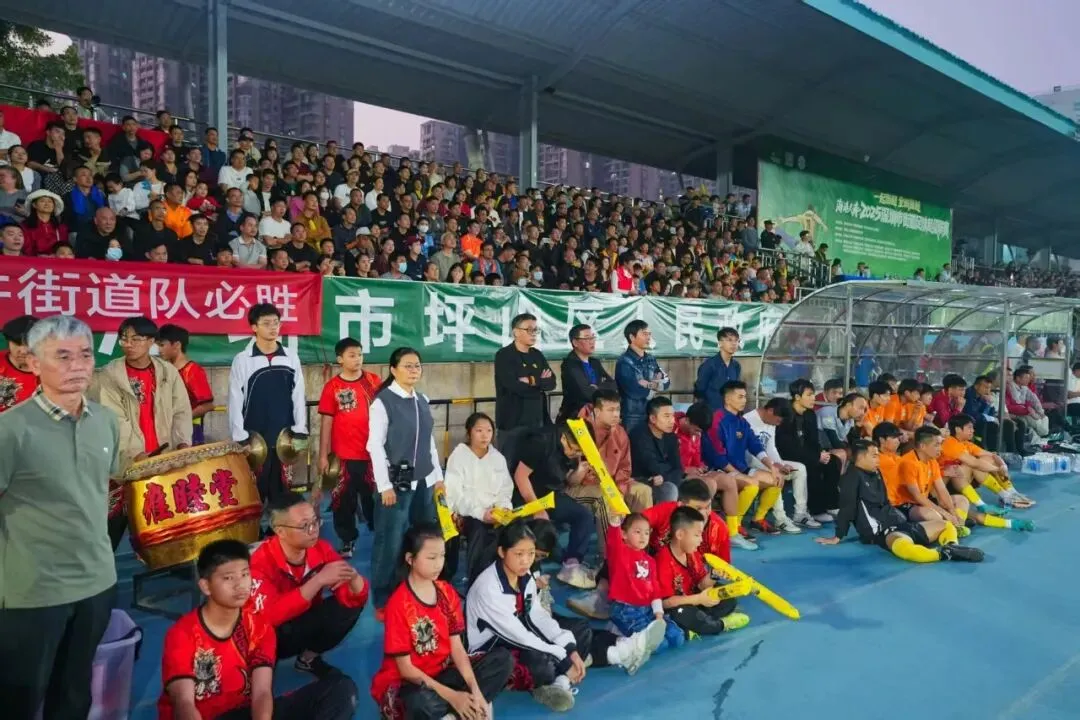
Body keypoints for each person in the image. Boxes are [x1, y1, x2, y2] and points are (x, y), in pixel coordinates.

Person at [0, 316, 119, 719]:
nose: (78, 366)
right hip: (32, 592)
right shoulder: (10, 430)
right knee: (18, 698)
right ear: (33, 364)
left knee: (73, 695)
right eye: (63, 357)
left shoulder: (105, 421)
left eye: (85, 355)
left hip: (97, 582)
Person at [467, 522, 664, 712]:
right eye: (519, 554)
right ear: (502, 552)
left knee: (578, 631)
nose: (526, 561)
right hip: (496, 649)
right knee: (540, 665)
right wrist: (562, 658)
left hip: (524, 635)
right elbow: (518, 635)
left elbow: (537, 617)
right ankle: (615, 654)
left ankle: (560, 682)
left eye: (531, 553)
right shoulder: (489, 588)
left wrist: (569, 649)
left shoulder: (524, 576)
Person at [159, 539, 358, 720]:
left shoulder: (258, 627)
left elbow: (262, 693)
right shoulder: (183, 633)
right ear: (206, 586)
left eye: (245, 574)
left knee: (341, 690)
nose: (240, 585)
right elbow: (183, 704)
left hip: (244, 714)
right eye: (228, 578)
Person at [370, 523, 512, 720]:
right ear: (410, 559)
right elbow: (406, 669)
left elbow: (457, 647)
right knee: (419, 702)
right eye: (431, 557)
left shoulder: (446, 592)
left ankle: (464, 706)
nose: (439, 564)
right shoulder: (398, 604)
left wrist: (475, 689)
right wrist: (453, 696)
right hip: (411, 682)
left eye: (442, 556)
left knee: (503, 660)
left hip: (442, 672)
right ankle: (461, 709)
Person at [93, 316, 192, 549]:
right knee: (110, 530)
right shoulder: (109, 375)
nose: (128, 344)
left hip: (162, 462)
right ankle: (101, 568)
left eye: (135, 339)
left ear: (151, 342)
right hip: (125, 465)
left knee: (164, 532)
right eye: (124, 339)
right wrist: (136, 454)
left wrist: (182, 445)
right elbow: (115, 420)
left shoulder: (167, 372)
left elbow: (181, 410)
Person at [248, 495, 368, 677]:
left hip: (301, 622)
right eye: (305, 525)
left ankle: (307, 660)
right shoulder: (259, 563)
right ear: (280, 531)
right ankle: (257, 672)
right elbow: (270, 616)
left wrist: (355, 581)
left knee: (349, 608)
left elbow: (353, 595)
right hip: (268, 636)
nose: (314, 530)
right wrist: (317, 581)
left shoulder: (321, 549)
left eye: (315, 521)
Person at [815, 441, 984, 564]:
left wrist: (900, 519)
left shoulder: (876, 473)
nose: (878, 459)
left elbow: (885, 501)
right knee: (905, 549)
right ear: (860, 457)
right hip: (880, 532)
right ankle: (942, 554)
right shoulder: (850, 478)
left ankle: (952, 546)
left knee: (945, 525)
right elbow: (847, 508)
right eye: (874, 456)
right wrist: (838, 535)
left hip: (899, 522)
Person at [367, 347, 443, 615]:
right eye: (408, 366)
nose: (413, 370)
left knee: (422, 538)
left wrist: (438, 477)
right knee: (390, 542)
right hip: (396, 486)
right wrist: (384, 486)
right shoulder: (383, 402)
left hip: (423, 483)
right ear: (393, 369)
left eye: (417, 366)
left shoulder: (422, 399)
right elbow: (374, 446)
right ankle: (382, 599)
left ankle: (416, 586)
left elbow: (429, 442)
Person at [228, 303, 308, 516]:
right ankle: (256, 533)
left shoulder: (290, 357)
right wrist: (240, 437)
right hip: (255, 439)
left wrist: (300, 430)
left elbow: (298, 395)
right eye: (266, 323)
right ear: (254, 327)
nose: (273, 328)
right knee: (254, 493)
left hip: (284, 437)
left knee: (282, 493)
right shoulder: (243, 360)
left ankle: (278, 531)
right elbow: (235, 400)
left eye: (276, 323)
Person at [887, 426, 1033, 534]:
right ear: (922, 446)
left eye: (941, 444)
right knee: (936, 515)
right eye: (936, 445)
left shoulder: (932, 461)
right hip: (905, 505)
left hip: (926, 499)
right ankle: (955, 525)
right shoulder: (908, 463)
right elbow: (917, 496)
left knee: (962, 501)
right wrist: (945, 513)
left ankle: (1005, 523)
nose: (940, 448)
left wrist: (951, 511)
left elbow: (942, 489)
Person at [508, 421, 597, 589]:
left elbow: (569, 482)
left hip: (551, 495)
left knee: (583, 516)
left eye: (580, 452)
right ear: (563, 438)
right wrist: (537, 508)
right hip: (525, 496)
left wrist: (579, 472)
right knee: (541, 534)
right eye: (575, 450)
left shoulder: (574, 451)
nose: (576, 454)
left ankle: (572, 564)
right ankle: (534, 579)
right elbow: (520, 477)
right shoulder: (540, 442)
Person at [317, 337, 382, 557]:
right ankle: (347, 540)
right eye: (352, 355)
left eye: (360, 354)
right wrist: (323, 455)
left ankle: (381, 536)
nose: (357, 359)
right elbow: (326, 423)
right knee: (342, 501)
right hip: (342, 457)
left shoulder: (373, 381)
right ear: (340, 359)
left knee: (375, 498)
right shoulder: (332, 387)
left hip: (372, 455)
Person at [568, 388, 651, 554]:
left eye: (618, 409)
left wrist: (618, 490)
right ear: (597, 411)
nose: (616, 414)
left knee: (643, 491)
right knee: (606, 498)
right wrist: (611, 492)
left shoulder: (620, 432)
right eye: (611, 410)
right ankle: (610, 557)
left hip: (612, 484)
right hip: (580, 486)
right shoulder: (578, 431)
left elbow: (625, 468)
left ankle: (639, 553)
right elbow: (570, 476)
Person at [701, 381, 785, 537]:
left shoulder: (742, 422)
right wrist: (738, 474)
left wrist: (772, 466)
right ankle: (735, 524)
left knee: (777, 479)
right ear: (727, 399)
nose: (744, 400)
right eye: (740, 397)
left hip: (741, 468)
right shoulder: (716, 421)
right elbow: (717, 456)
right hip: (720, 470)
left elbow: (755, 445)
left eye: (745, 397)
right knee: (752, 484)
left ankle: (758, 519)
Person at [655, 506, 751, 635]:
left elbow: (701, 585)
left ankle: (699, 623)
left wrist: (713, 575)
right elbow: (665, 603)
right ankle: (720, 624)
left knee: (728, 600)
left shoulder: (692, 552)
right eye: (697, 535)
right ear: (680, 535)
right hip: (676, 606)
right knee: (683, 614)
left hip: (694, 598)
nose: (700, 540)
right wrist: (699, 599)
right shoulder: (663, 560)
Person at [444, 412, 514, 583]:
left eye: (489, 431)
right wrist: (481, 513)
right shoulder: (458, 456)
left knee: (517, 530)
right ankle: (476, 583)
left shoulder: (498, 458)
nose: (485, 436)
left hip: (495, 512)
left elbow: (505, 489)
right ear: (469, 433)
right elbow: (455, 495)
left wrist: (503, 507)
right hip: (468, 513)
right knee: (479, 531)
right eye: (479, 431)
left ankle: (511, 580)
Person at [674, 402, 750, 548]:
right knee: (709, 484)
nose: (698, 434)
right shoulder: (671, 429)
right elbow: (668, 460)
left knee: (728, 481)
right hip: (678, 475)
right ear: (687, 420)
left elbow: (696, 457)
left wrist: (700, 466)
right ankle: (700, 532)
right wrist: (685, 469)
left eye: (701, 432)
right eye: (696, 430)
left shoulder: (697, 433)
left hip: (693, 473)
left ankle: (733, 533)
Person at [605, 513, 683, 654]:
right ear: (624, 534)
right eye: (637, 532)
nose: (643, 536)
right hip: (626, 610)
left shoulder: (650, 561)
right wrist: (615, 524)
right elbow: (613, 541)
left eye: (647, 532)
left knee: (677, 637)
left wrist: (659, 614)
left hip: (647, 609)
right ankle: (619, 631)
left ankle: (634, 631)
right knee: (660, 646)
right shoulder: (619, 553)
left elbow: (655, 589)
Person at [779, 379, 844, 525]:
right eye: (809, 395)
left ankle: (832, 505)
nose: (813, 398)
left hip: (806, 453)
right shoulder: (785, 415)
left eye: (813, 394)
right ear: (797, 397)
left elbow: (813, 440)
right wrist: (815, 456)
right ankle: (816, 510)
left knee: (833, 461)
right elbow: (787, 447)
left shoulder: (810, 414)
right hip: (787, 455)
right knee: (812, 464)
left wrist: (821, 453)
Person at [942, 414, 1035, 509]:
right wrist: (997, 469)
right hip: (945, 484)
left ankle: (1010, 492)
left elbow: (993, 455)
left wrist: (1003, 465)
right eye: (969, 428)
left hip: (961, 479)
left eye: (972, 428)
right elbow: (974, 463)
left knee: (987, 459)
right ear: (958, 429)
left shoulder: (966, 443)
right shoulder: (950, 443)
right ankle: (987, 503)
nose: (973, 430)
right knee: (971, 465)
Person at [744, 397, 805, 534]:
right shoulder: (748, 420)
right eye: (778, 420)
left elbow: (771, 447)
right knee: (776, 475)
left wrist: (781, 464)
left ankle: (800, 513)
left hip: (766, 462)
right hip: (750, 463)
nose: (778, 424)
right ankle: (780, 518)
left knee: (800, 469)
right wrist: (773, 466)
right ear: (770, 411)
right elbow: (748, 453)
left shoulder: (770, 422)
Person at [493, 313, 554, 448]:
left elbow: (551, 383)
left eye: (535, 330)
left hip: (537, 420)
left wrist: (530, 381)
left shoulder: (537, 355)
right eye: (529, 330)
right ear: (516, 332)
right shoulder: (504, 355)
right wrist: (539, 381)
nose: (533, 334)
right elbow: (513, 385)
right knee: (510, 459)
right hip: (512, 422)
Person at [156, 324, 214, 445]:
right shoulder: (163, 370)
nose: (159, 350)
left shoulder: (192, 371)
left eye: (162, 345)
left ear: (177, 345)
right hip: (165, 432)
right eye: (158, 345)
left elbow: (208, 405)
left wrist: (182, 419)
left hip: (190, 433)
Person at [614, 320, 669, 433]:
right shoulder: (624, 361)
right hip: (632, 415)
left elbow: (666, 381)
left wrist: (650, 385)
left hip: (651, 413)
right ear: (632, 337)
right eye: (644, 334)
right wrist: (655, 386)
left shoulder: (651, 359)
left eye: (649, 334)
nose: (648, 337)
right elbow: (634, 391)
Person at [629, 396, 686, 505]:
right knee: (669, 490)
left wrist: (665, 476)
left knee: (697, 485)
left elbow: (678, 468)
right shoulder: (639, 435)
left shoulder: (671, 436)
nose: (672, 421)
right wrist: (670, 471)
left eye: (673, 416)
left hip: (664, 479)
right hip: (643, 481)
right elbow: (653, 467)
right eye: (666, 416)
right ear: (653, 418)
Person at [558, 323, 614, 422]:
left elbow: (613, 385)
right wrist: (602, 388)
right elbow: (586, 393)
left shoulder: (595, 362)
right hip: (576, 417)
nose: (592, 341)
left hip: (596, 416)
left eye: (593, 338)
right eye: (587, 338)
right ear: (575, 342)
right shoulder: (570, 365)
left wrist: (598, 387)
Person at [694, 326, 741, 411]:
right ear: (720, 343)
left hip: (730, 412)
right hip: (711, 413)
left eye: (736, 340)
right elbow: (699, 391)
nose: (734, 343)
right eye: (729, 340)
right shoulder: (709, 365)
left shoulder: (736, 366)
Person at [0, 314, 38, 412]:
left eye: (28, 344)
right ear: (8, 342)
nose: (23, 351)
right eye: (17, 344)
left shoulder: (51, 370)